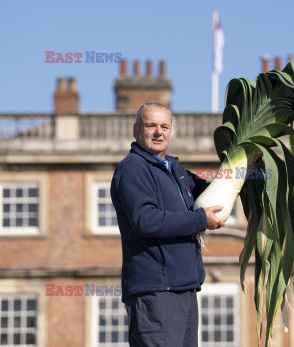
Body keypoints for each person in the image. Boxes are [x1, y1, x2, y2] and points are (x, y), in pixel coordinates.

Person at [110, 102, 225, 346]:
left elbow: (213, 191)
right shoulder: (132, 168)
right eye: (151, 125)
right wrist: (201, 219)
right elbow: (145, 219)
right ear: (136, 130)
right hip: (156, 291)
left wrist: (245, 167)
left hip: (184, 287)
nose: (158, 132)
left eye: (164, 126)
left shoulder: (176, 170)